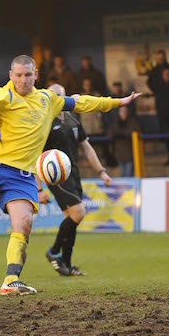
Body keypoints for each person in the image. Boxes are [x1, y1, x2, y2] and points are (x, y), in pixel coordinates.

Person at [0, 55, 140, 296]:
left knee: (24, 223)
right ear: (11, 75)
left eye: (28, 75)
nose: (23, 80)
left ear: (36, 75)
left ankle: (11, 280)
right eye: (19, 75)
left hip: (22, 175)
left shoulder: (47, 99)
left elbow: (80, 102)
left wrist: (117, 102)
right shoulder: (3, 96)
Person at [41, 83, 114, 276]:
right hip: (56, 176)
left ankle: (66, 263)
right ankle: (53, 251)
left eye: (59, 96)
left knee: (71, 217)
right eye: (52, 96)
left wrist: (101, 172)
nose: (56, 100)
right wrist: (38, 188)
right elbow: (34, 156)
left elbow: (86, 148)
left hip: (73, 172)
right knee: (78, 212)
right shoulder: (44, 122)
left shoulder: (72, 119)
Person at [107, 106, 141, 177]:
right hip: (119, 153)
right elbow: (110, 134)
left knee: (129, 173)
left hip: (130, 152)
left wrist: (122, 133)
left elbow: (137, 132)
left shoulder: (132, 122)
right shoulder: (115, 122)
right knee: (123, 174)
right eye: (122, 112)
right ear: (119, 113)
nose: (124, 113)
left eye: (125, 111)